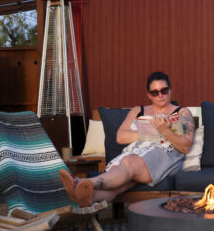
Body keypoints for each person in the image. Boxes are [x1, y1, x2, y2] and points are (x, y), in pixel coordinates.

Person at [59, 71, 194, 207]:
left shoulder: (182, 112)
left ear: (170, 90)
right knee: (121, 184)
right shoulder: (138, 110)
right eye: (155, 92)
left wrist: (165, 131)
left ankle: (84, 183)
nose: (160, 95)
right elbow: (121, 137)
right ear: (149, 95)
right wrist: (150, 133)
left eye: (164, 90)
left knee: (128, 162)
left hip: (165, 155)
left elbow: (186, 147)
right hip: (138, 153)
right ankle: (89, 197)